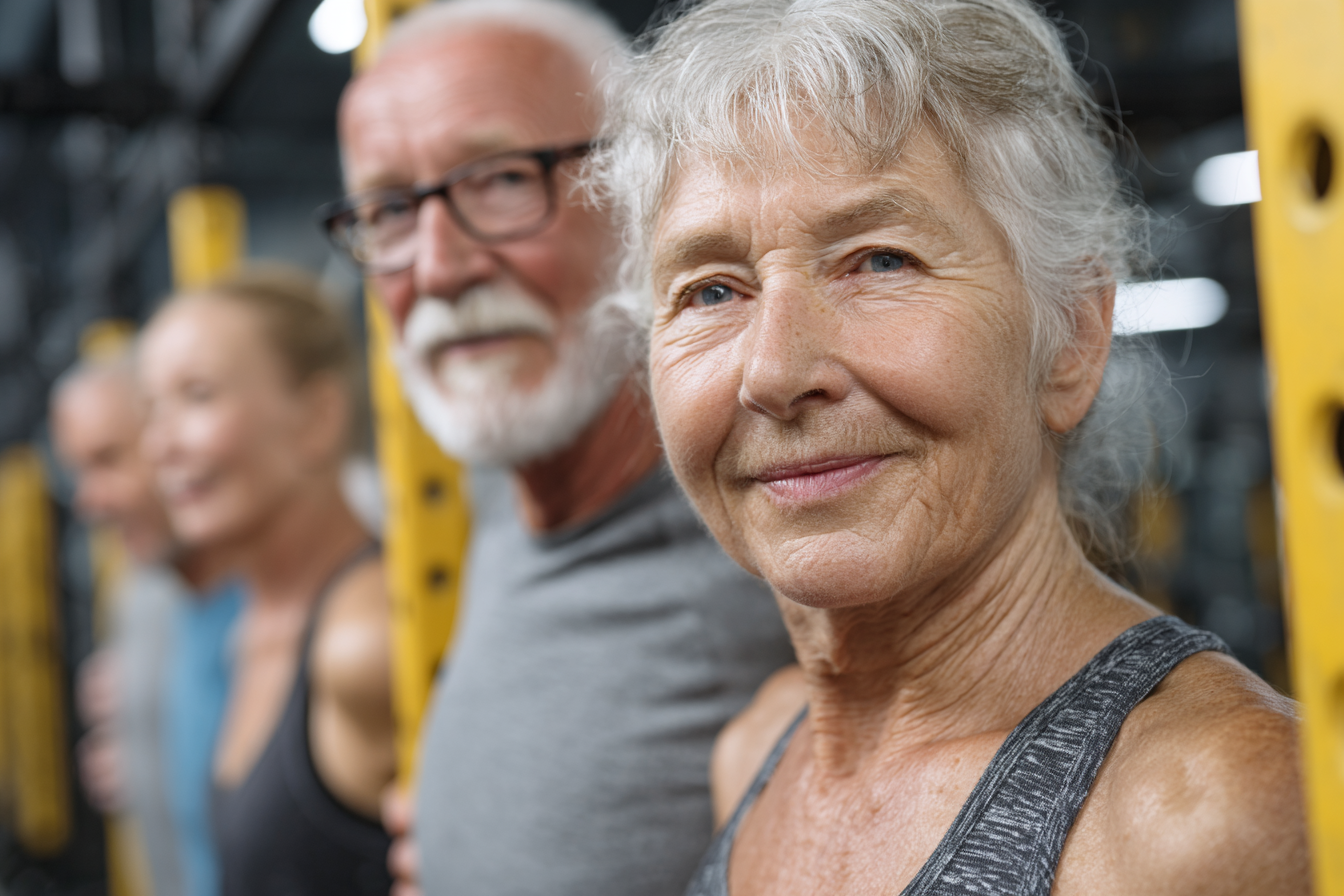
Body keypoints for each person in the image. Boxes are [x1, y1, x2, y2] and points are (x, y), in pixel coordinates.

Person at [592, 0, 1310, 892]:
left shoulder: (1218, 808)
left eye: (880, 260)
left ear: (1072, 338)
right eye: (710, 291)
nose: (773, 371)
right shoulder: (757, 752)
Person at [328, 1, 796, 893]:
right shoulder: (509, 489)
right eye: (389, 209)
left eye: (501, 180)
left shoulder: (784, 561)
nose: (437, 267)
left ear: (646, 192)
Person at [138, 267, 397, 896]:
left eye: (198, 396)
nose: (159, 444)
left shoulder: (365, 637)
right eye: (152, 410)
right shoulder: (250, 625)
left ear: (318, 417)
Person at [51, 352, 244, 896]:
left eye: (108, 460)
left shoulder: (286, 586)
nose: (87, 502)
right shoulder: (141, 598)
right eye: (78, 472)